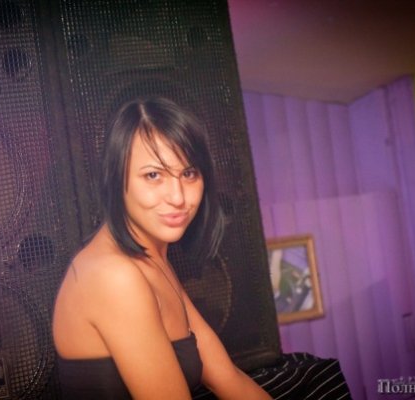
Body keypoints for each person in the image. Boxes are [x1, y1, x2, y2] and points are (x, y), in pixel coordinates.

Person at [52, 97, 271, 399]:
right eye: (153, 175)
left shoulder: (151, 258)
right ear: (116, 178)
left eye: (189, 173)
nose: (178, 197)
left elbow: (227, 378)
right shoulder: (113, 275)